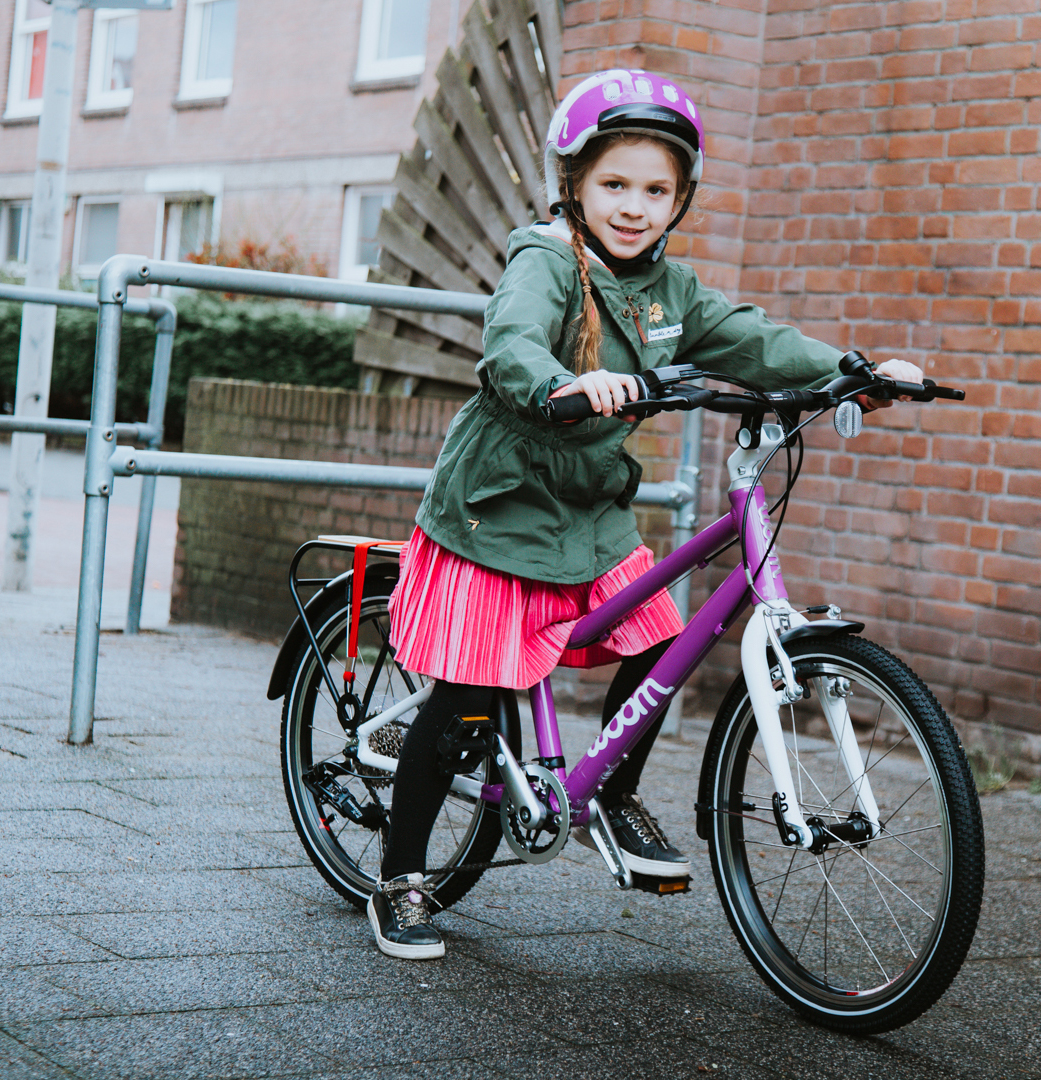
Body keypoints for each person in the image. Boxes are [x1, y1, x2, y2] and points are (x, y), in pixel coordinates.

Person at [369, 69, 925, 960]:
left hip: (590, 511)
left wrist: (855, 368)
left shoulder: (671, 289)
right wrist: (563, 382)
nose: (634, 207)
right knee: (470, 695)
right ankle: (401, 879)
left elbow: (751, 337)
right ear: (575, 185)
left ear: (680, 199)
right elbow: (512, 338)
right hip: (499, 510)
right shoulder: (548, 259)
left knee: (663, 635)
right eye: (615, 184)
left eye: (656, 190)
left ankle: (615, 788)